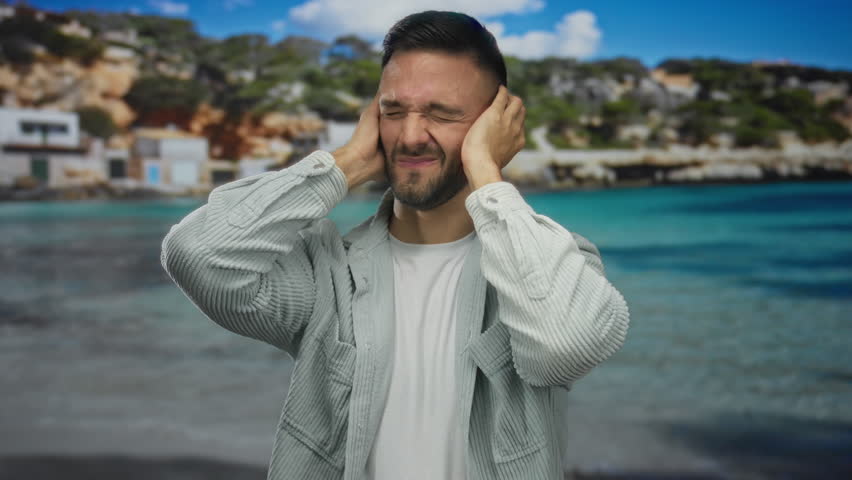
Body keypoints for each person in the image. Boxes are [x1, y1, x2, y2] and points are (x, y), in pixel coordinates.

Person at [160, 10, 630, 480]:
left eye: (442, 114)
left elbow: (563, 347)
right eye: (394, 111)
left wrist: (487, 173)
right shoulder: (327, 274)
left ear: (495, 124)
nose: (409, 137)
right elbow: (198, 254)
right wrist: (348, 164)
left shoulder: (559, 264)